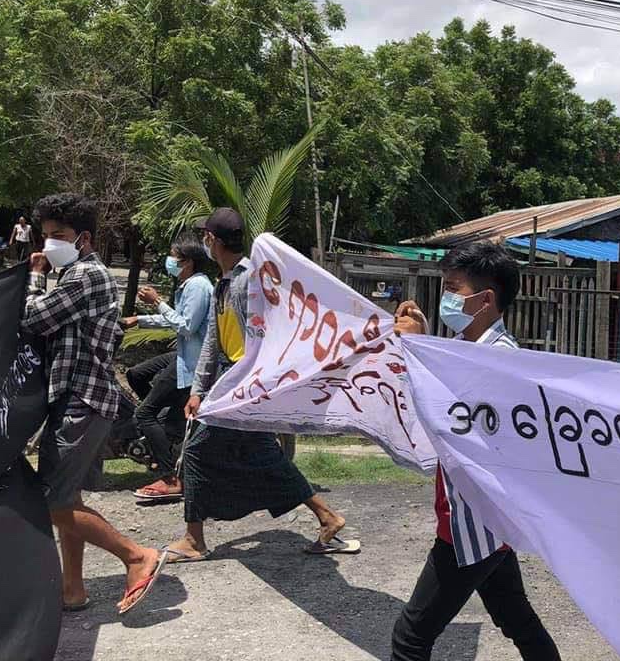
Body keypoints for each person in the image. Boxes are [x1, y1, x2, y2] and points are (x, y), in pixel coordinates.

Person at [391, 241, 561, 661]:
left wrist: (414, 350)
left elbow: (449, 417)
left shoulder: (499, 360)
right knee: (515, 616)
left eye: (453, 288)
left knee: (410, 637)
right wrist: (425, 344)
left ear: (486, 299)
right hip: (490, 521)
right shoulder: (468, 350)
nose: (446, 296)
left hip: (473, 522)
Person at [163, 208, 360, 564]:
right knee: (264, 455)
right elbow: (213, 340)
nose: (204, 241)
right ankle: (328, 517)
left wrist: (249, 386)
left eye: (206, 236)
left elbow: (263, 339)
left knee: (195, 452)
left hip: (245, 386)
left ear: (214, 240)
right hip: (231, 383)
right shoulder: (224, 281)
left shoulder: (247, 281)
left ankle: (194, 540)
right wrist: (197, 389)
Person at [22, 193, 166, 615]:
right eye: (45, 236)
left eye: (58, 236)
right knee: (69, 498)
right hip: (86, 399)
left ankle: (136, 556)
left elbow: (34, 318)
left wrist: (33, 277)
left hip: (81, 401)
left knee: (52, 502)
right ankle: (72, 589)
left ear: (83, 237)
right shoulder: (77, 274)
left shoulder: (86, 276)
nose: (49, 245)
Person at [121, 235, 213, 500]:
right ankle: (165, 427)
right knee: (135, 374)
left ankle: (169, 476)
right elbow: (173, 320)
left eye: (174, 256)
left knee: (143, 414)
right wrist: (138, 319)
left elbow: (186, 325)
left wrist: (156, 301)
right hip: (181, 354)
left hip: (191, 362)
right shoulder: (187, 284)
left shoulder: (197, 286)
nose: (169, 260)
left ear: (188, 262)